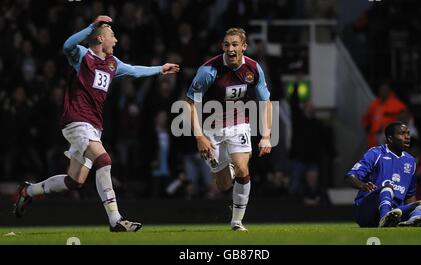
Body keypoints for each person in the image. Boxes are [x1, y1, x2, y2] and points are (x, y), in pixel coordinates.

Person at [13, 15, 180, 232]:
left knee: (75, 181)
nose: (117, 41)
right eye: (113, 36)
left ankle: (28, 191)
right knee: (104, 159)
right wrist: (92, 25)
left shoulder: (112, 63)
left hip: (93, 126)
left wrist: (159, 69)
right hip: (76, 121)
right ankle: (115, 219)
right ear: (100, 39)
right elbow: (67, 45)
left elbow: (134, 70)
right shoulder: (82, 56)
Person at [185, 28, 272, 231]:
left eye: (234, 45)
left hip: (238, 123)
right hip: (211, 129)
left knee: (243, 168)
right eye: (226, 45)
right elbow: (189, 103)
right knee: (223, 185)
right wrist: (199, 137)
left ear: (244, 46)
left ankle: (236, 221)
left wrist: (266, 135)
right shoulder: (208, 71)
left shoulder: (253, 68)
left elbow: (266, 101)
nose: (230, 49)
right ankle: (230, 165)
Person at [345, 122, 421, 227]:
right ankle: (384, 218)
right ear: (390, 138)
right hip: (367, 211)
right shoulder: (375, 153)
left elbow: (410, 195)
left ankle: (413, 221)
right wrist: (362, 185)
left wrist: (410, 211)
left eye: (408, 134)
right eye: (402, 134)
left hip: (395, 212)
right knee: (387, 189)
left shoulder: (411, 161)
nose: (407, 137)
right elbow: (350, 176)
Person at [362, 82, 407, 148]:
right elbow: (366, 119)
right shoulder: (374, 105)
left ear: (389, 91)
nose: (382, 92)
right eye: (381, 90)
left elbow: (407, 121)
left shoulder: (398, 105)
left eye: (385, 90)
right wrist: (368, 128)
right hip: (373, 143)